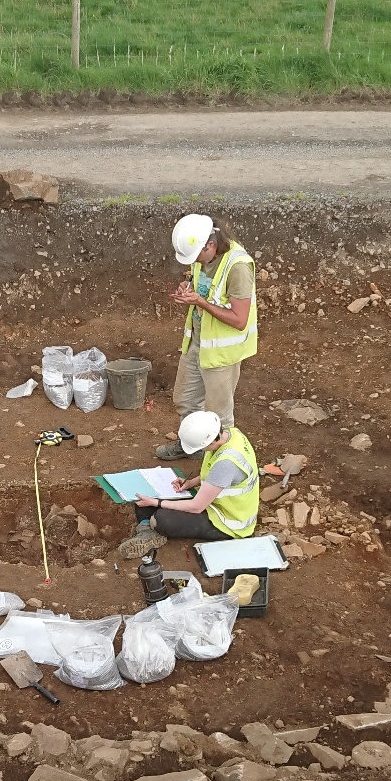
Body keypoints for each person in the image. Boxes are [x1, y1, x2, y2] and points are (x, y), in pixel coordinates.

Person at [158, 213, 258, 461]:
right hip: (197, 343)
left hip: (222, 353)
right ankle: (190, 444)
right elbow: (202, 284)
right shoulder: (202, 256)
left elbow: (239, 319)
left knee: (219, 414)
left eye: (196, 257)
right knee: (185, 399)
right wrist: (189, 290)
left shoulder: (238, 268)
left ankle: (221, 462)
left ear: (210, 245)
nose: (193, 262)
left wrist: (200, 301)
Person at [117, 410, 259, 559]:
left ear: (210, 441)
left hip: (228, 522)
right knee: (141, 496)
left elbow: (196, 506)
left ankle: (151, 529)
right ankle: (147, 531)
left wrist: (157, 502)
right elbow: (216, 474)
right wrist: (191, 483)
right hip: (213, 500)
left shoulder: (227, 463)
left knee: (162, 519)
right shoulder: (231, 434)